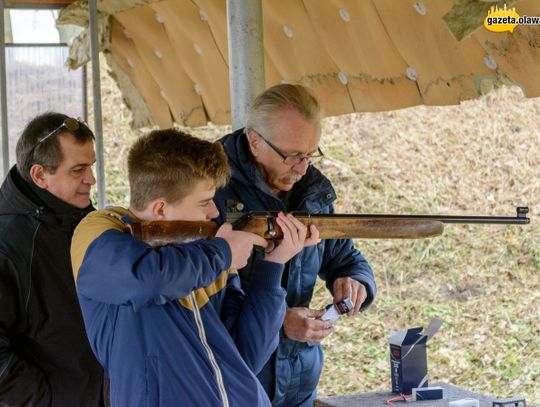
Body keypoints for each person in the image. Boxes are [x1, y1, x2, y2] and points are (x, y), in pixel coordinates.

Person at [70, 128, 320, 407]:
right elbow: (147, 280)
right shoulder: (99, 231)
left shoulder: (206, 248)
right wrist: (223, 253)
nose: (214, 212)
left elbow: (246, 355)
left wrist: (273, 267)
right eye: (204, 202)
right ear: (161, 208)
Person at [214, 84, 378, 407]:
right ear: (255, 141)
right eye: (293, 156)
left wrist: (356, 281)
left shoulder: (311, 193)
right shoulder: (211, 190)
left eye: (310, 154)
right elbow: (201, 306)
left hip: (299, 383)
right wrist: (279, 323)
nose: (303, 168)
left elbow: (345, 257)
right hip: (238, 383)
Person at [0, 112, 105, 406]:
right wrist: (47, 399)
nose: (92, 179)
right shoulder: (8, 243)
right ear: (39, 175)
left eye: (92, 166)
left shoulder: (85, 222)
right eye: (78, 170)